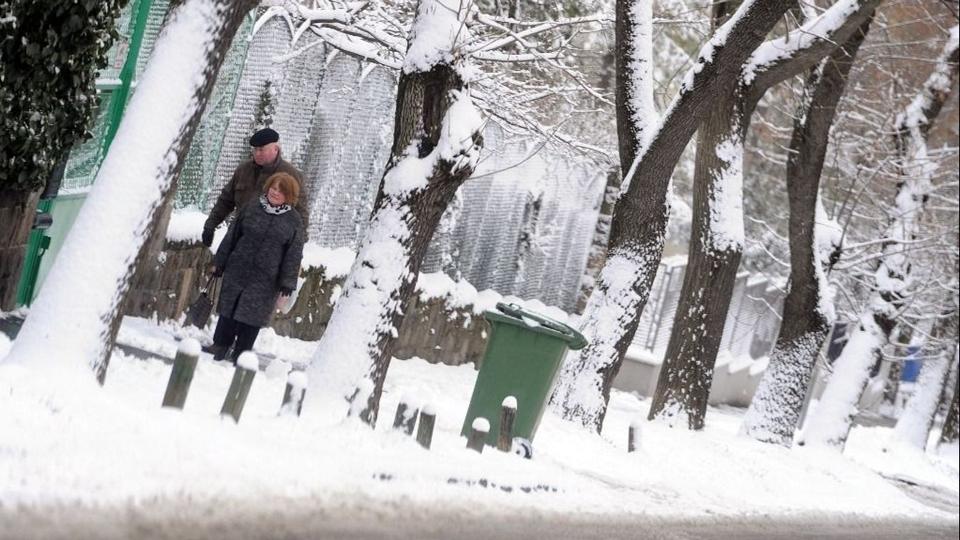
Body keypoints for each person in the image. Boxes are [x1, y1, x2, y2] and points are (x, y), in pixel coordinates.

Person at [207, 172, 305, 362]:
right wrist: (220, 262)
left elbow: (294, 254)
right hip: (238, 267)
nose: (275, 192)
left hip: (267, 278)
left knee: (252, 317)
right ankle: (220, 345)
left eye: (281, 190)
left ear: (289, 195)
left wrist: (287, 282)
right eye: (273, 187)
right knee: (229, 309)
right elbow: (232, 235)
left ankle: (241, 354)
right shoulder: (252, 207)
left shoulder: (294, 221)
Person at [202, 127, 308, 247]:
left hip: (270, 245)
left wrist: (297, 245)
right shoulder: (243, 170)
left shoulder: (291, 175)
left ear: (275, 149)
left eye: (261, 150)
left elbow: (301, 212)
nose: (257, 154)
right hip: (237, 237)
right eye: (255, 149)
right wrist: (210, 225)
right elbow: (226, 200)